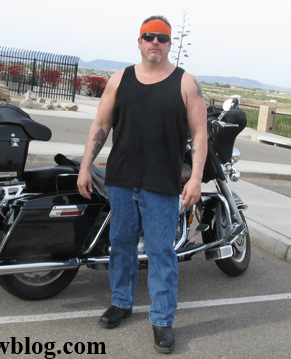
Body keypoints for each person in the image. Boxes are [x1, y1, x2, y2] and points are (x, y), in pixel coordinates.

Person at [77, 15, 208, 354]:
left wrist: (194, 178)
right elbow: (101, 124)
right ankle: (121, 302)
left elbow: (199, 133)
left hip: (161, 184)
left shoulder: (185, 83)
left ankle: (162, 321)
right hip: (121, 180)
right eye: (149, 37)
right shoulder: (119, 79)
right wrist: (85, 167)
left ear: (169, 45)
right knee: (121, 245)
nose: (155, 43)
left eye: (162, 39)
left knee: (161, 253)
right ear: (138, 41)